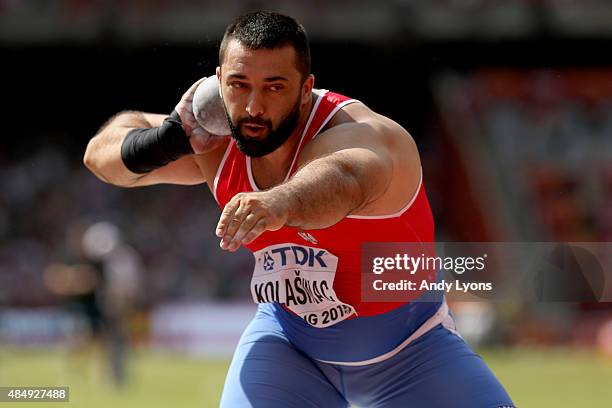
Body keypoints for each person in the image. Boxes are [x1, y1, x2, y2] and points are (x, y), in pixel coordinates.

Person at [84, 10, 514, 408]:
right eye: (239, 85)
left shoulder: (363, 134)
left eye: (275, 87)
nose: (254, 107)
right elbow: (100, 158)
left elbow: (342, 180)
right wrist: (168, 138)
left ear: (305, 89)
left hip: (413, 351)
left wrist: (279, 202)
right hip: (290, 349)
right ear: (219, 82)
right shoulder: (213, 140)